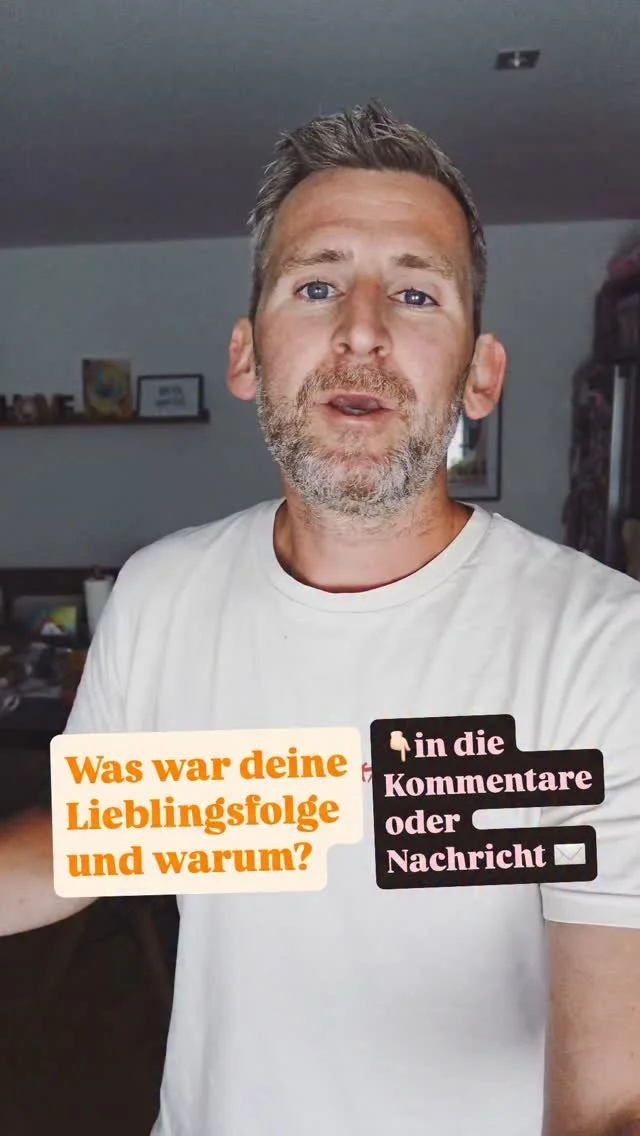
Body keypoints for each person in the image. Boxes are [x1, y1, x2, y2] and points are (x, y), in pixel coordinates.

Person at [2, 100, 640, 1136]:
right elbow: (91, 843)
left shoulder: (607, 646)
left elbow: (610, 1099)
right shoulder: (161, 593)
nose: (361, 329)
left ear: (480, 375)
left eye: (415, 293)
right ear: (247, 356)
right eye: (317, 284)